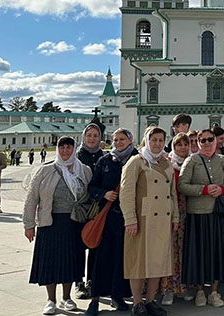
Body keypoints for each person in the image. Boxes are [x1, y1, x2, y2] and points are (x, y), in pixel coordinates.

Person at [23, 137, 93, 315]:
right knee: (50, 261)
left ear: (74, 149)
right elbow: (32, 198)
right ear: (57, 149)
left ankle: (67, 297)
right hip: (50, 222)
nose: (65, 151)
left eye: (69, 148)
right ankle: (50, 299)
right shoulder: (45, 170)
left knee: (70, 261)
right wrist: (29, 224)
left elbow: (90, 196)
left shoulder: (83, 170)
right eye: (62, 147)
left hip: (74, 222)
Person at [120, 126, 179, 316]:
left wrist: (175, 217)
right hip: (142, 220)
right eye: (154, 140)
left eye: (161, 140)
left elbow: (172, 194)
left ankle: (151, 300)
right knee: (138, 263)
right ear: (146, 140)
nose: (157, 143)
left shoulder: (166, 163)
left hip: (163, 220)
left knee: (157, 262)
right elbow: (126, 193)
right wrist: (130, 219)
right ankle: (138, 303)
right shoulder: (136, 162)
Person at [179, 128, 224, 308]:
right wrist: (202, 190)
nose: (205, 143)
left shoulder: (222, 161)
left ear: (214, 141)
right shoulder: (192, 161)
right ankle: (199, 291)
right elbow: (182, 185)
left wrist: (221, 189)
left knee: (216, 253)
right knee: (199, 254)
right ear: (197, 142)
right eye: (201, 140)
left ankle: (213, 291)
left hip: (217, 214)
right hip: (197, 214)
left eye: (209, 139)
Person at [85, 128, 137, 316]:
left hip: (128, 217)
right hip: (107, 217)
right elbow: (92, 186)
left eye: (122, 139)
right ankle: (95, 299)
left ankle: (117, 294)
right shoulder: (105, 160)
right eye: (115, 139)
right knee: (101, 258)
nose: (118, 142)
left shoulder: (137, 159)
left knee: (121, 258)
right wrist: (103, 194)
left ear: (130, 140)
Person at [160, 132, 191, 305]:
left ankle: (183, 286)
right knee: (169, 251)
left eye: (185, 144)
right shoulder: (167, 163)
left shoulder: (192, 162)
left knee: (183, 250)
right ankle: (168, 289)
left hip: (188, 212)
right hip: (170, 212)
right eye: (179, 144)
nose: (182, 148)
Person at [75, 123, 104, 300]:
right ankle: (79, 282)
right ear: (84, 136)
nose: (92, 138)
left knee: (95, 243)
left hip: (97, 206)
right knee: (79, 245)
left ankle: (92, 280)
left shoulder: (104, 156)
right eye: (89, 135)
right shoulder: (77, 156)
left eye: (95, 135)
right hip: (79, 206)